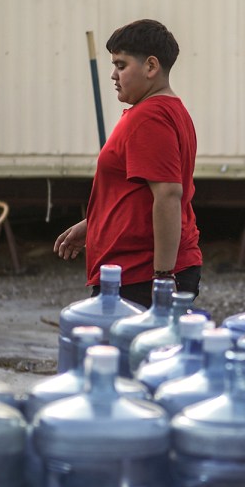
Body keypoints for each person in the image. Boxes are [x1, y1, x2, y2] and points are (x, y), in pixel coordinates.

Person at [54, 19, 202, 308]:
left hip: (139, 274)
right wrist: (93, 224)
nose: (113, 75)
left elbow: (168, 195)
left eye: (121, 66)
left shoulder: (149, 118)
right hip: (138, 271)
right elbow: (140, 193)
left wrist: (161, 276)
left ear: (150, 67)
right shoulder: (168, 110)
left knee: (125, 353)